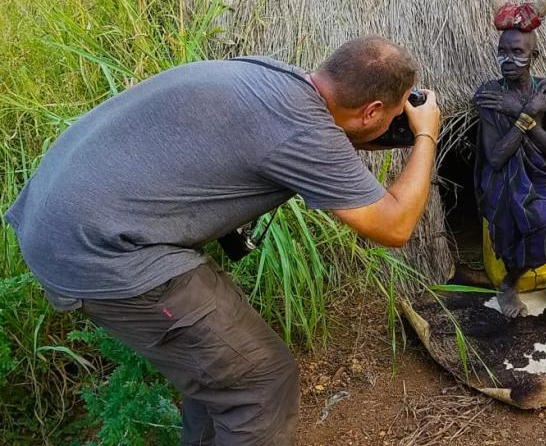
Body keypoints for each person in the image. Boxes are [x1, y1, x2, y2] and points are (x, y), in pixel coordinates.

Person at [3, 36, 441, 446]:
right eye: (392, 113)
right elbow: (394, 226)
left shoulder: (268, 75)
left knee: (222, 375)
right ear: (371, 111)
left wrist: (371, 132)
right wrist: (425, 134)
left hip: (56, 216)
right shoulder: (302, 130)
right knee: (258, 384)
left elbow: (291, 142)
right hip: (103, 253)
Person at [474, 29, 546, 319]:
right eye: (503, 51)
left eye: (518, 52)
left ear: (533, 55)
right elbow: (496, 157)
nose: (508, 59)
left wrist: (526, 112)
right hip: (505, 175)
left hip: (543, 173)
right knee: (532, 219)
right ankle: (508, 285)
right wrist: (524, 114)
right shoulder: (489, 94)